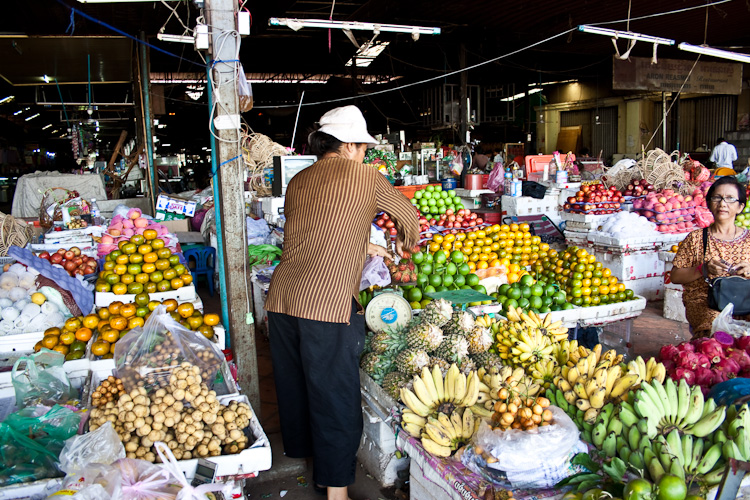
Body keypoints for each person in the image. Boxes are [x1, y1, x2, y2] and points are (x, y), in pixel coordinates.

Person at [264, 105, 419, 500]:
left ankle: (314, 467)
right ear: (349, 145)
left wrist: (362, 243)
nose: (365, 154)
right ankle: (336, 493)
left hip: (282, 298)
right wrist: (405, 243)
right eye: (363, 147)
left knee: (298, 388)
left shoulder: (299, 180)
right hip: (326, 303)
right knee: (334, 394)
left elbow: (313, 231)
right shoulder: (365, 175)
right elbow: (409, 215)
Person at [671, 176, 750, 337]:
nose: (722, 203)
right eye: (717, 198)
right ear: (709, 203)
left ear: (740, 207)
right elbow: (675, 276)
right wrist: (703, 269)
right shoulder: (696, 238)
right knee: (715, 325)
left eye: (730, 199)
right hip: (705, 300)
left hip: (744, 299)